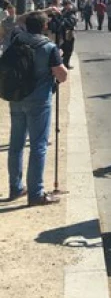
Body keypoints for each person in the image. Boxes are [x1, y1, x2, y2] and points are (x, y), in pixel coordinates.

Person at [7, 11, 68, 205]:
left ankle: (15, 187)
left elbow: (18, 20)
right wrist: (60, 58)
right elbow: (62, 76)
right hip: (39, 101)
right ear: (44, 27)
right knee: (38, 146)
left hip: (16, 98)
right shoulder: (48, 47)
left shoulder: (15, 40)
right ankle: (36, 193)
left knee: (15, 145)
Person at [59, 0, 78, 69]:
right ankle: (65, 64)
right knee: (68, 49)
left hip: (66, 33)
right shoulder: (66, 14)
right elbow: (70, 23)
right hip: (68, 33)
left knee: (66, 49)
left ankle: (65, 63)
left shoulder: (64, 12)